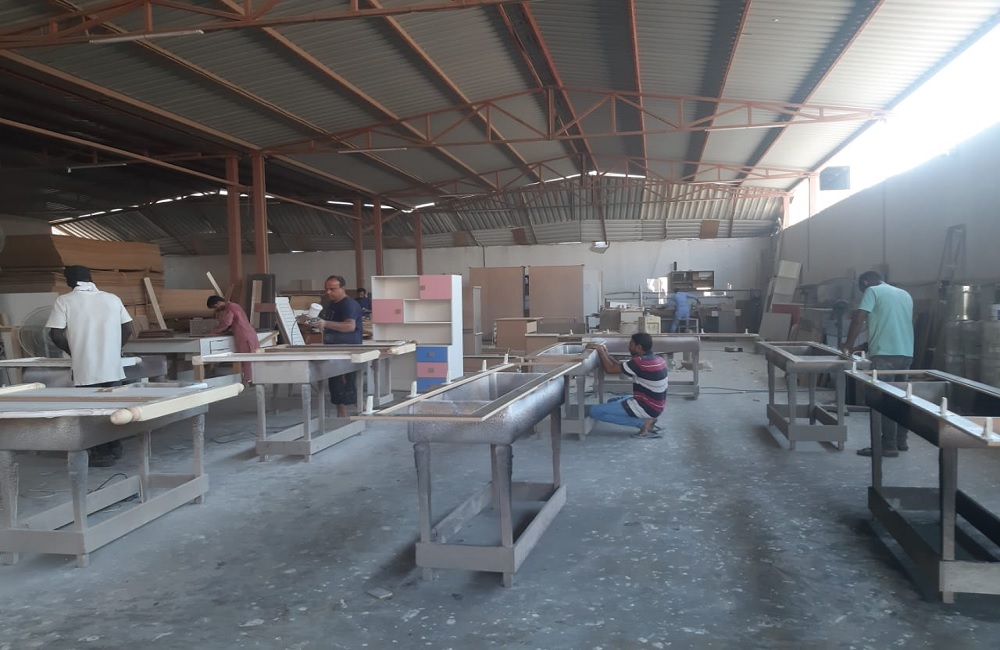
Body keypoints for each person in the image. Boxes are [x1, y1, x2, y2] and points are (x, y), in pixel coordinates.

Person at [46, 265, 133, 467]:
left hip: (86, 369)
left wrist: (74, 352)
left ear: (69, 281)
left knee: (91, 411)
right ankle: (115, 447)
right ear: (90, 278)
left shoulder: (65, 301)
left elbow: (55, 334)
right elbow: (128, 328)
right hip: (112, 367)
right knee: (114, 409)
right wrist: (115, 350)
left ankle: (101, 453)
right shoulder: (112, 298)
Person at [842, 270, 914, 458]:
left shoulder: (872, 291)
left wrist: (847, 346)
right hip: (906, 353)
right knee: (901, 398)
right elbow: (892, 328)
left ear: (866, 282)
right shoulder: (904, 294)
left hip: (884, 356)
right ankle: (901, 441)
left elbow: (858, 320)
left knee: (884, 400)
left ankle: (888, 445)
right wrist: (861, 346)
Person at [297, 275, 362, 418]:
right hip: (333, 347)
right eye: (326, 289)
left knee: (344, 383)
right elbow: (327, 323)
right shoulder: (331, 304)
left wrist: (325, 323)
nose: (328, 292)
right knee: (335, 381)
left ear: (343, 288)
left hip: (346, 349)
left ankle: (349, 415)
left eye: (332, 289)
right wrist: (311, 322)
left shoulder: (349, 305)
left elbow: (350, 326)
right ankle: (342, 414)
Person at [585, 333, 668, 439]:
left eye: (631, 344)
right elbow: (619, 366)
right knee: (612, 401)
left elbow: (610, 369)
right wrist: (606, 354)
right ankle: (649, 418)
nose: (629, 346)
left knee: (594, 411)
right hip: (656, 405)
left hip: (647, 407)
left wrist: (601, 351)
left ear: (639, 347)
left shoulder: (640, 363)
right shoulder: (656, 359)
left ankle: (642, 423)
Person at [206, 295, 260, 383]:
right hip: (249, 334)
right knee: (252, 358)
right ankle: (254, 380)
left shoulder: (230, 308)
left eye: (215, 307)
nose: (216, 309)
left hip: (244, 336)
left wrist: (213, 331)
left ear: (219, 302)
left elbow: (226, 323)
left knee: (247, 359)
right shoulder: (235, 305)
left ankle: (247, 381)